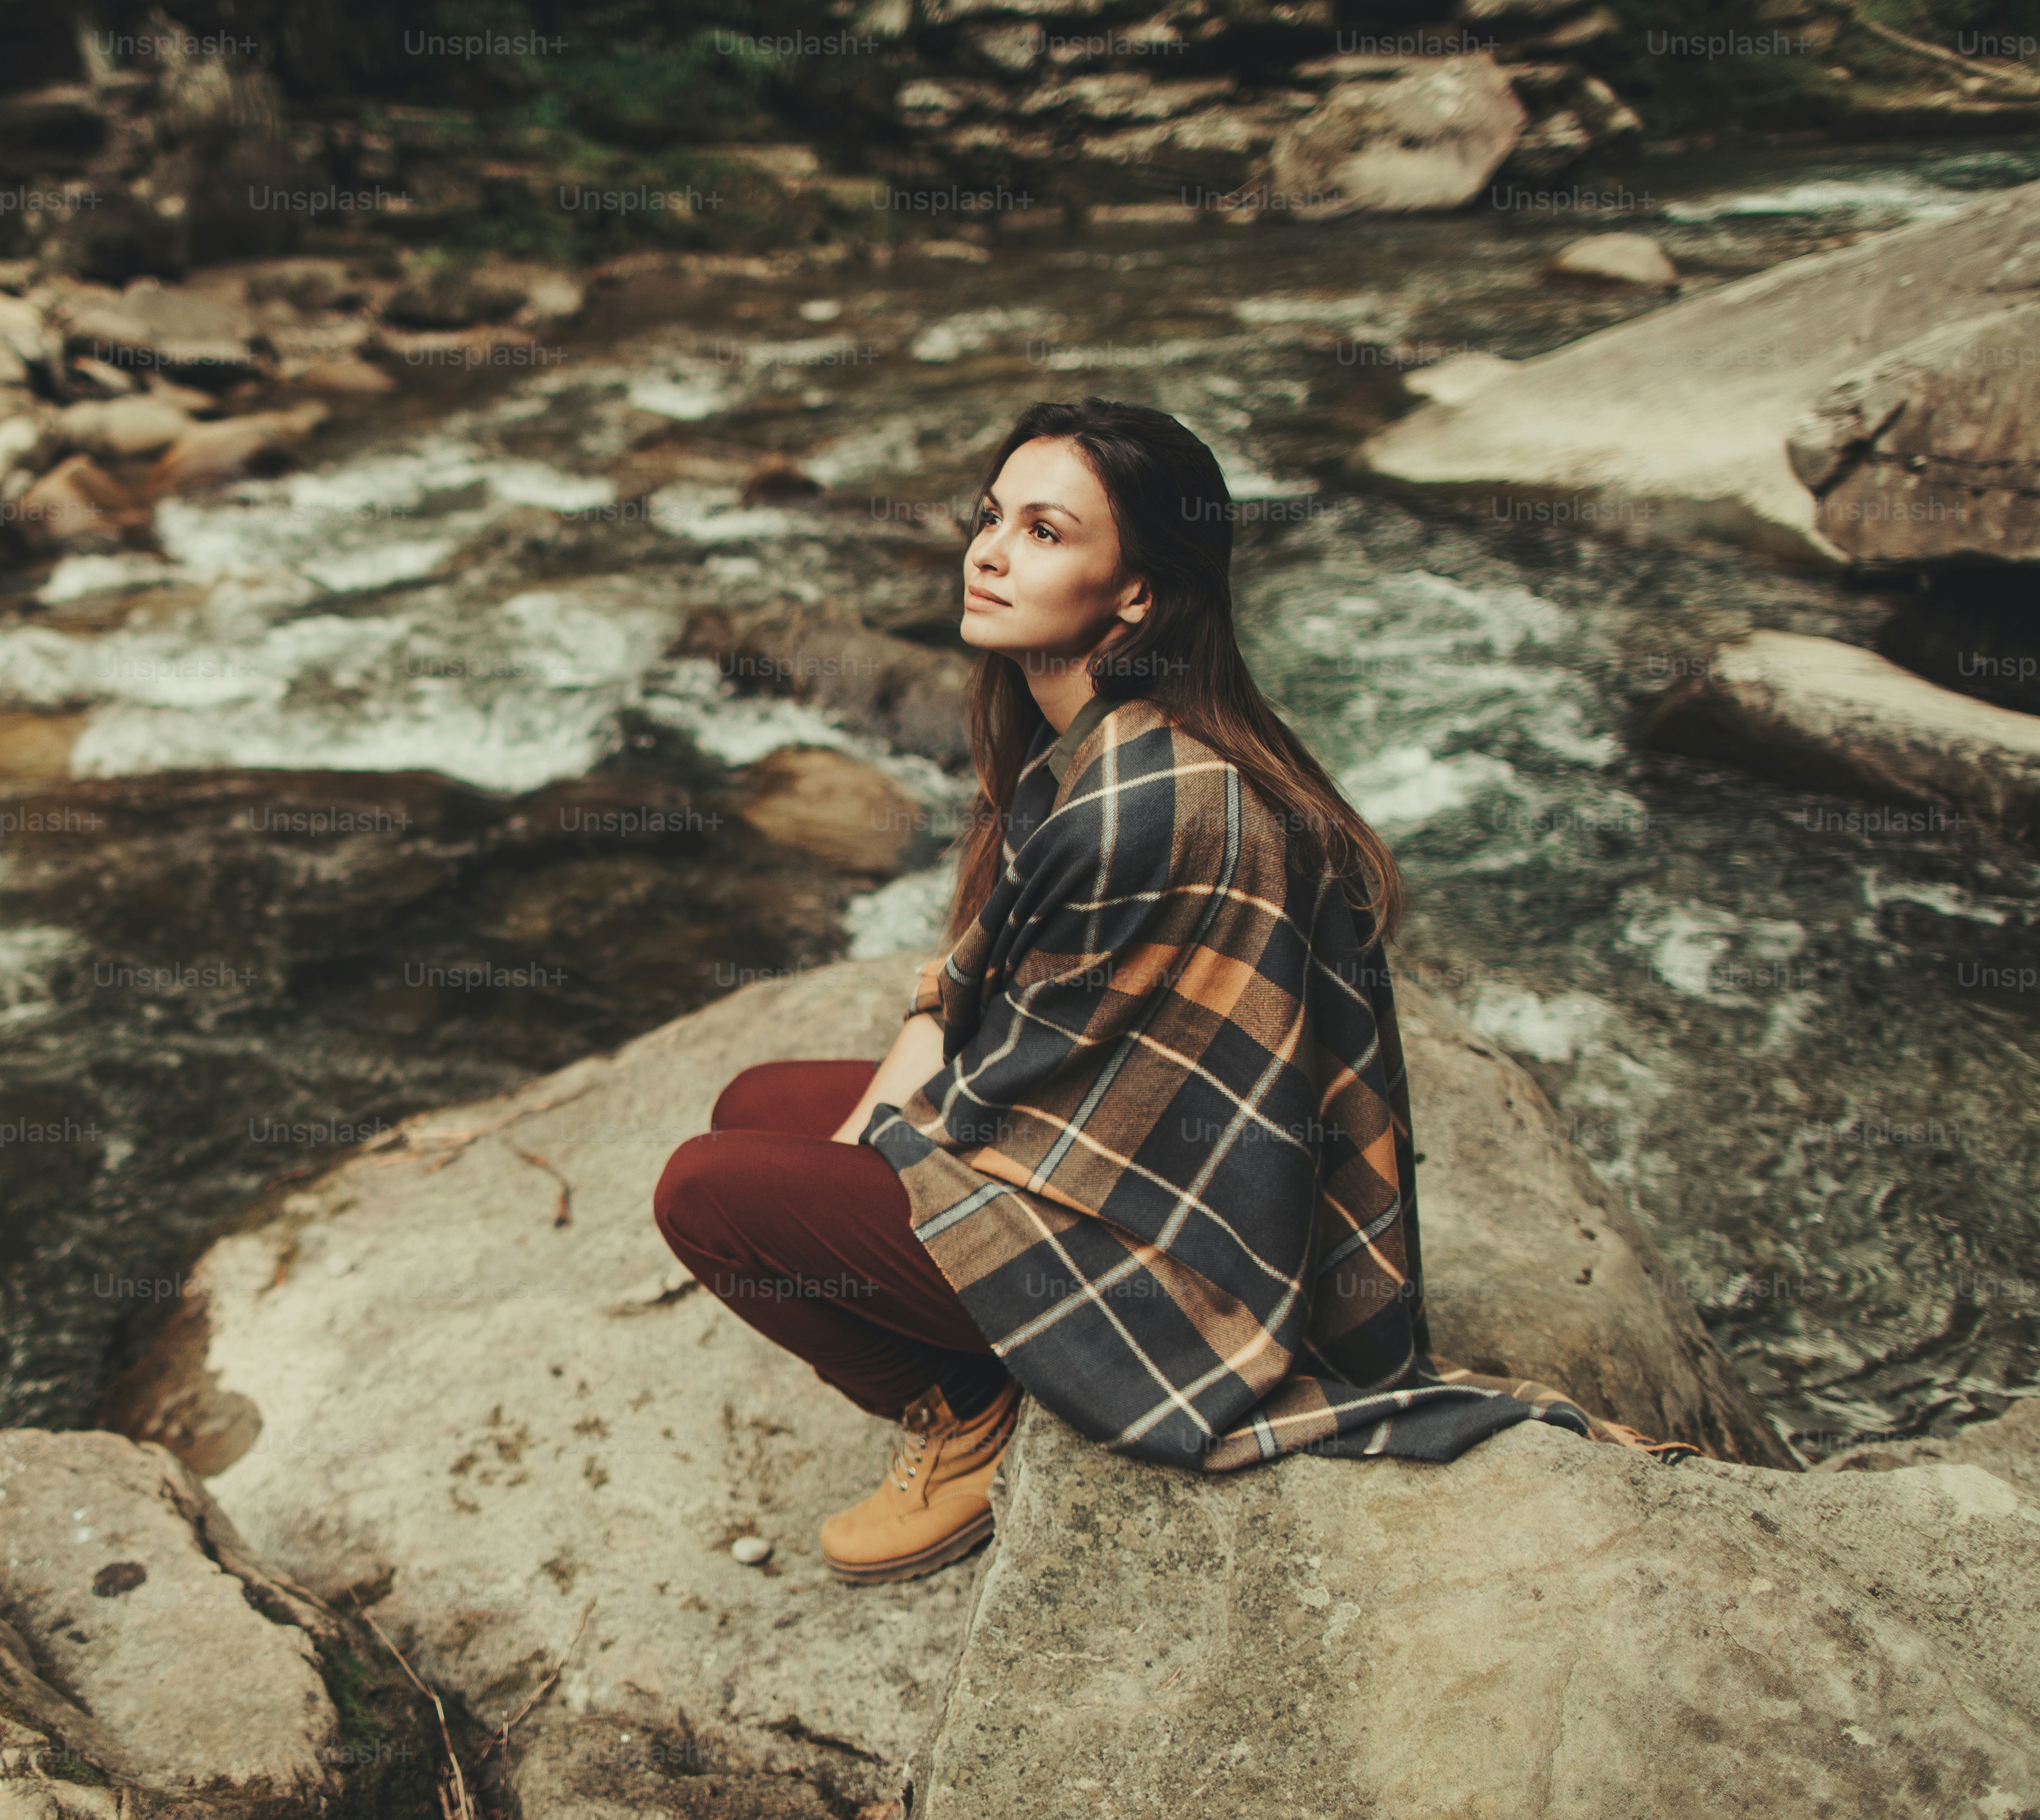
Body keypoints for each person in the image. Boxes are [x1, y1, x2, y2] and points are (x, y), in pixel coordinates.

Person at [652, 397, 1648, 1588]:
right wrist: (892, 1097)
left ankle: (968, 1404)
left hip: (1177, 1262)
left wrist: (882, 1134)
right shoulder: (1085, 739)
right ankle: (979, 1362)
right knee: (757, 1099)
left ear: (1133, 591)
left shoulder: (1146, 797)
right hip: (1144, 1169)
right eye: (987, 518)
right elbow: (1004, 1028)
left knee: (708, 1191)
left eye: (1043, 530)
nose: (987, 551)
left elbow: (985, 1102)